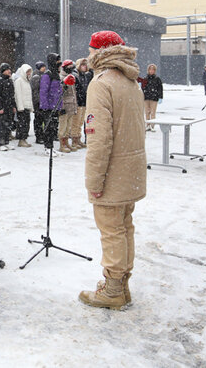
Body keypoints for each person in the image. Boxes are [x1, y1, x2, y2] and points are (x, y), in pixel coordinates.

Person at [79, 30, 146, 310]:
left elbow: (99, 139)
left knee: (111, 230)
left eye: (92, 49)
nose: (89, 54)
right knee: (124, 226)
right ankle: (122, 283)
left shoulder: (101, 83)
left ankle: (113, 289)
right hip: (131, 169)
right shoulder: (130, 81)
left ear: (100, 52)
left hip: (112, 172)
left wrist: (94, 180)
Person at [39, 53, 63, 156]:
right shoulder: (47, 75)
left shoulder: (56, 74)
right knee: (48, 127)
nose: (59, 63)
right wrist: (44, 106)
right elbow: (43, 91)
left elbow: (59, 92)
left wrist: (59, 105)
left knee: (54, 127)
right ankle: (47, 147)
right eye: (57, 60)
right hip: (48, 107)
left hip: (55, 106)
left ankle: (51, 147)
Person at [0, 63, 16, 151]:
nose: (9, 71)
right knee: (1, 125)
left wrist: (13, 106)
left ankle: (6, 142)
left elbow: (12, 95)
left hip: (9, 106)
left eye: (9, 69)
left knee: (8, 125)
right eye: (7, 70)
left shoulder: (10, 81)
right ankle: (0, 143)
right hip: (2, 107)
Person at [57, 60, 78, 153]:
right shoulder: (61, 77)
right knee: (63, 126)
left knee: (69, 126)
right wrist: (61, 107)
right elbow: (59, 93)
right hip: (64, 105)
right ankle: (62, 144)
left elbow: (74, 93)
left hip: (71, 105)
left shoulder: (71, 77)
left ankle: (66, 142)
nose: (71, 69)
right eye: (69, 67)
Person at [72, 58, 93, 149]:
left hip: (84, 101)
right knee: (75, 122)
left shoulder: (85, 75)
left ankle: (78, 139)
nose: (85, 67)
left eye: (85, 65)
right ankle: (74, 141)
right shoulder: (76, 75)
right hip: (78, 102)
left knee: (80, 122)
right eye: (82, 65)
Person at [13, 63, 33, 148]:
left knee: (27, 123)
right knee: (22, 124)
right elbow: (18, 95)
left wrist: (31, 107)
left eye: (29, 72)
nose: (29, 73)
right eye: (27, 72)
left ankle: (24, 138)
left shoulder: (27, 82)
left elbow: (29, 95)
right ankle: (21, 139)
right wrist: (20, 106)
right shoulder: (19, 81)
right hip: (22, 107)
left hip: (27, 106)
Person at [141, 64, 163, 131]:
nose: (151, 71)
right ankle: (147, 125)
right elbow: (142, 88)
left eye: (153, 69)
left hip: (154, 98)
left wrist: (160, 97)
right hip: (146, 98)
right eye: (150, 69)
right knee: (147, 112)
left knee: (153, 112)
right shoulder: (145, 79)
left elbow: (160, 88)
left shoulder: (157, 79)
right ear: (148, 70)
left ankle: (152, 126)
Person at [30, 61, 46, 143]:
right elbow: (35, 91)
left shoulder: (43, 75)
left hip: (42, 101)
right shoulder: (36, 77)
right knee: (39, 120)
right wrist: (38, 101)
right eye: (42, 67)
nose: (44, 68)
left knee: (41, 120)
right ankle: (39, 136)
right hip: (38, 102)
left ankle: (41, 136)